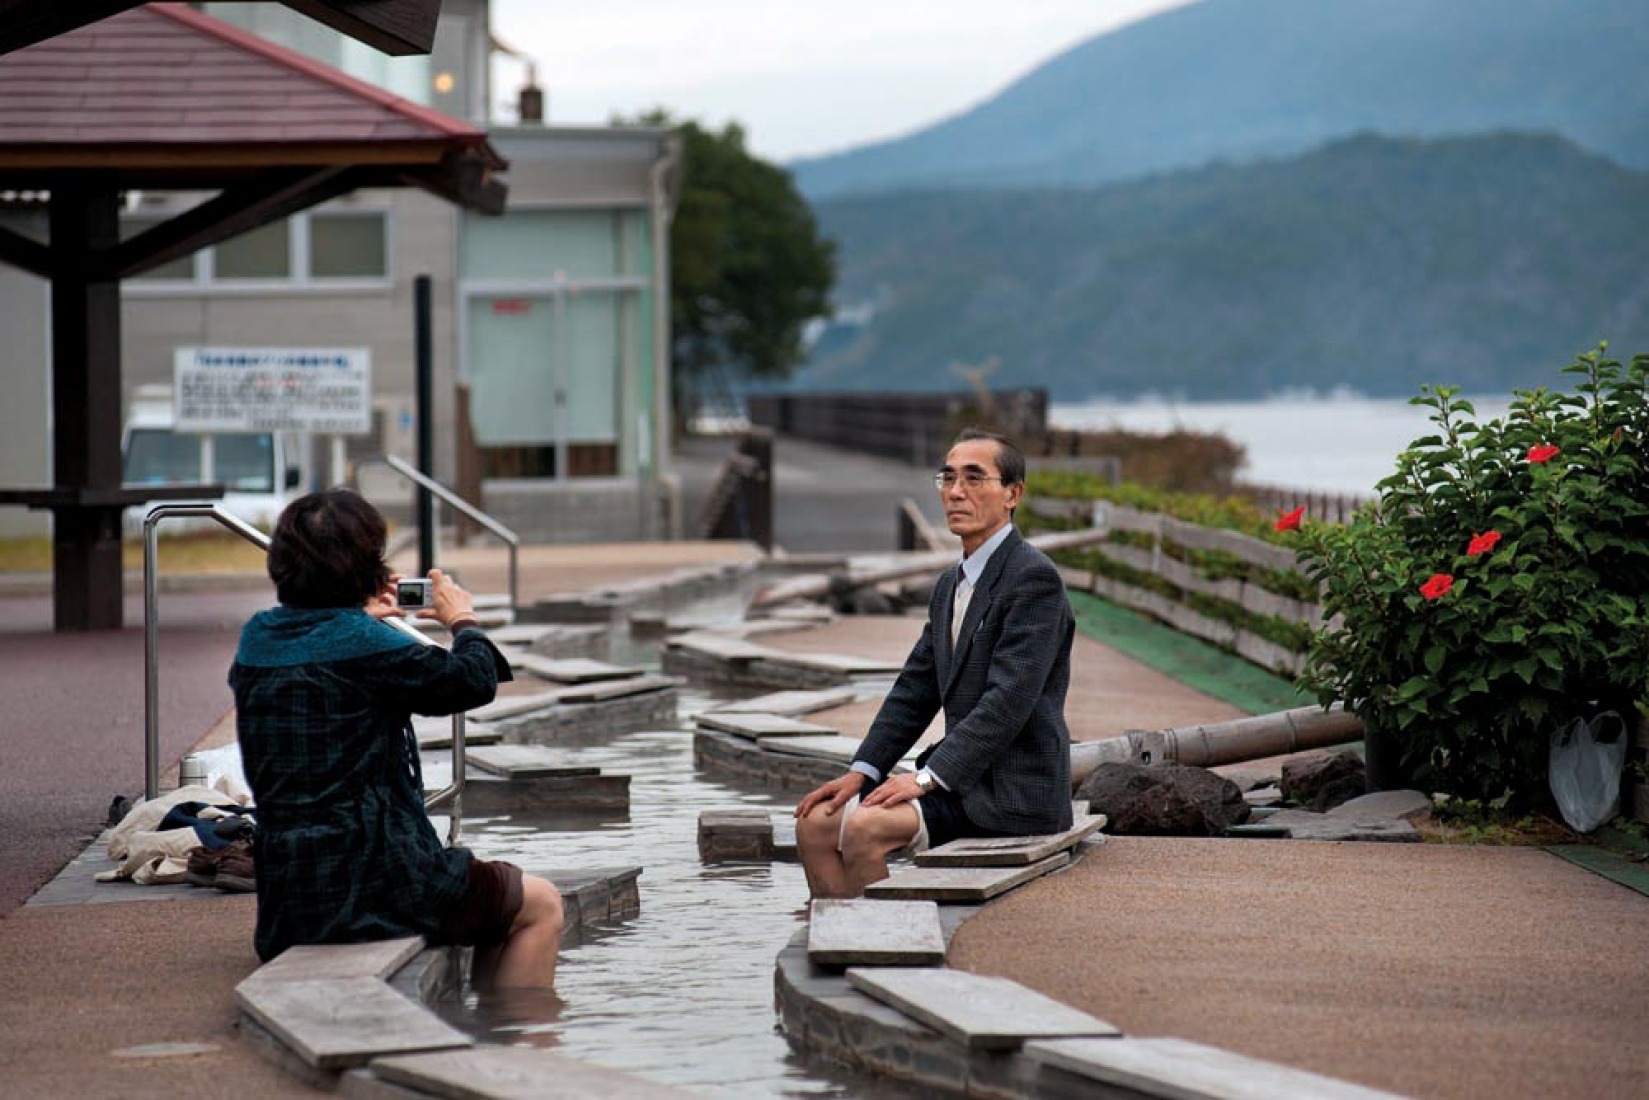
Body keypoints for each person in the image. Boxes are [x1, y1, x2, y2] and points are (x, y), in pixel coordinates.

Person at [231, 488, 563, 990]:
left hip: (289, 897)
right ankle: (520, 1044)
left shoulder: (257, 639)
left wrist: (357, 622)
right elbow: (472, 681)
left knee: (494, 899)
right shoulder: (366, 648)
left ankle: (482, 1032)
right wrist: (461, 619)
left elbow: (322, 658)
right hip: (376, 885)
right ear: (366, 566)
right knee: (541, 905)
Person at [795, 428, 1075, 898]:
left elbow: (1006, 703)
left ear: (1013, 494)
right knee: (816, 822)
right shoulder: (951, 583)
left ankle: (884, 950)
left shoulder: (1034, 580)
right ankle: (839, 949)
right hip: (960, 783)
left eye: (973, 478)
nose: (956, 492)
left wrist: (924, 779)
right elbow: (915, 688)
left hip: (1013, 791)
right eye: (947, 478)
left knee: (865, 828)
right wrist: (863, 771)